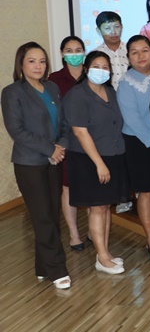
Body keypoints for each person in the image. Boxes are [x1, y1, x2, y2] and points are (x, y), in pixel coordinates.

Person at [2, 43, 70, 288]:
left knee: (52, 214)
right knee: (42, 216)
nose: (38, 66)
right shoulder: (12, 92)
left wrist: (59, 147)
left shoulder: (52, 87)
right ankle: (57, 269)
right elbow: (17, 130)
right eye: (32, 61)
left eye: (42, 61)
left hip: (54, 159)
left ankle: (43, 265)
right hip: (29, 163)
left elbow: (63, 123)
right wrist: (49, 149)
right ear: (21, 63)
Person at [63, 51, 131, 274]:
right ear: (86, 69)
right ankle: (101, 258)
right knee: (97, 208)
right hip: (88, 160)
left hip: (113, 155)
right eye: (96, 66)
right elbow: (80, 132)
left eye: (105, 67)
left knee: (105, 206)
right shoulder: (77, 95)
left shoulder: (109, 91)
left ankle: (106, 253)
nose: (100, 71)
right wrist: (99, 163)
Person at [117, 35, 150, 260]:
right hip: (139, 143)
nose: (140, 56)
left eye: (144, 50)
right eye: (134, 52)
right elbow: (133, 119)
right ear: (128, 57)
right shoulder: (125, 83)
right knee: (147, 192)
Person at [48, 35, 85, 250]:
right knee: (68, 187)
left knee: (93, 185)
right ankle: (74, 234)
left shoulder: (93, 74)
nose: (74, 54)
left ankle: (95, 231)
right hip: (66, 140)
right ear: (62, 54)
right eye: (69, 51)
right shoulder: (54, 79)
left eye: (78, 50)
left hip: (92, 140)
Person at [92, 11, 129, 89]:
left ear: (122, 27)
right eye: (107, 28)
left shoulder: (130, 50)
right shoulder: (95, 55)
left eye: (116, 27)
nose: (113, 32)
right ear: (98, 30)